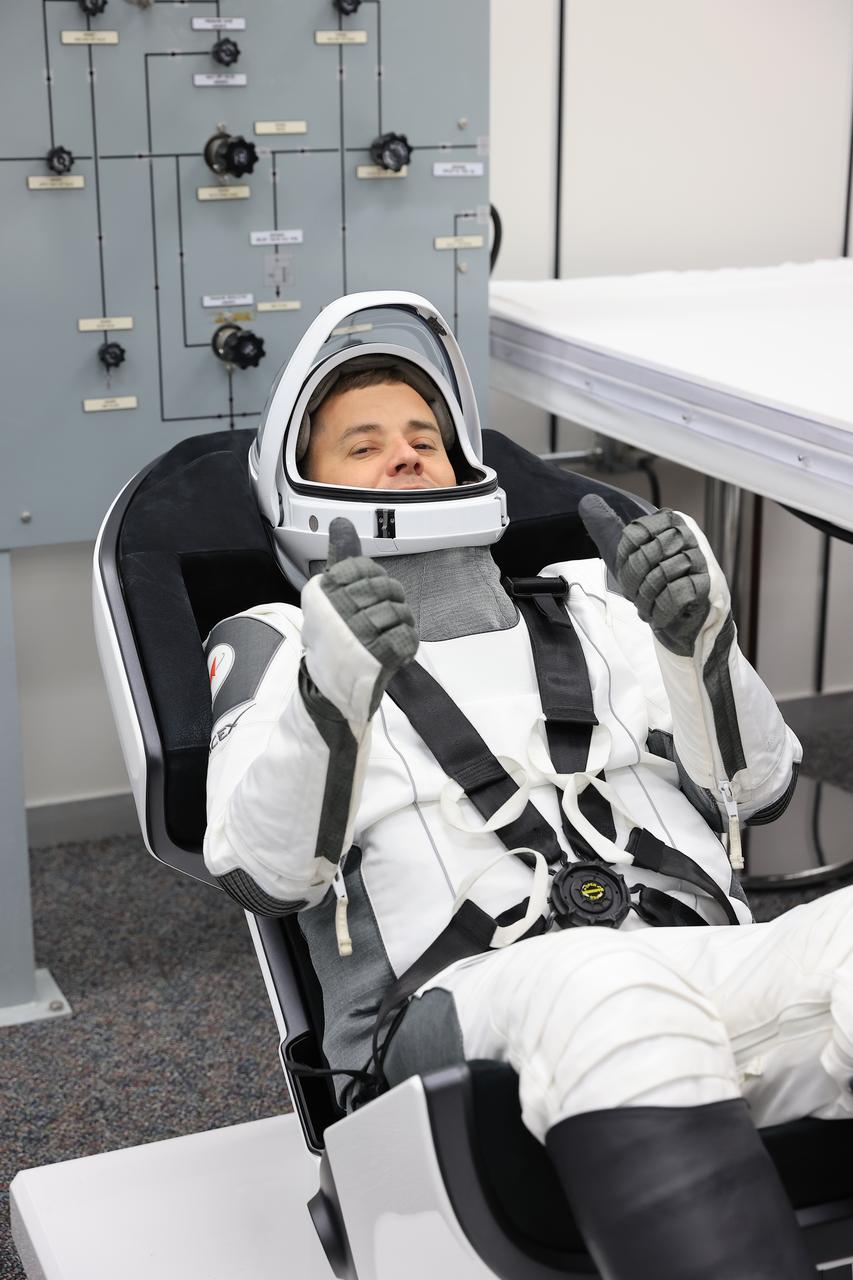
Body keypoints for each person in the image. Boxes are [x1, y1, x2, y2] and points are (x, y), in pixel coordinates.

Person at [203, 292, 843, 1279]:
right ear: (300, 488)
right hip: (458, 1013)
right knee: (600, 976)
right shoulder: (279, 642)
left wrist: (699, 647)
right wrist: (329, 687)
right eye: (362, 444)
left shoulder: (598, 598)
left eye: (425, 435)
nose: (406, 453)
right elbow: (265, 869)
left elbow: (754, 789)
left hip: (700, 962)